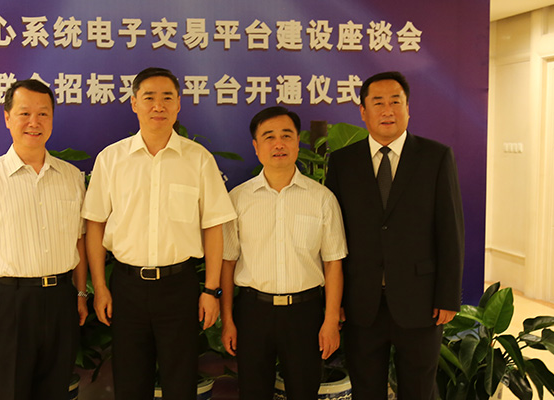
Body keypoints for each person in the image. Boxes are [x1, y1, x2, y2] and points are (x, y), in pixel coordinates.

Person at [82, 67, 236, 400]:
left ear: (178, 104)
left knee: (181, 383)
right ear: (134, 103)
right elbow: (94, 225)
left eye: (167, 97)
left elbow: (214, 226)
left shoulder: (198, 159)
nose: (158, 106)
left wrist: (211, 289)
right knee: (130, 383)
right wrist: (101, 287)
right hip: (127, 288)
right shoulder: (111, 159)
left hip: (178, 287)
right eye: (149, 97)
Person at [324, 71, 465, 400]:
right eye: (378, 103)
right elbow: (333, 237)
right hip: (361, 302)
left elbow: (450, 230)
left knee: (418, 390)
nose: (387, 110)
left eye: (395, 102)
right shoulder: (343, 162)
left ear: (407, 108)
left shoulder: (435, 157)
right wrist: (334, 301)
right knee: (366, 389)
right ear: (363, 112)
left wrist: (448, 297)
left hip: (421, 302)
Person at [0, 79, 89, 400]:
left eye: (43, 114)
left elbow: (80, 241)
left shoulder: (72, 177)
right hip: (10, 303)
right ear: (7, 117)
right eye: (24, 113)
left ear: (52, 119)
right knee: (11, 392)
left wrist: (80, 293)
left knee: (56, 390)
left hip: (61, 300)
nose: (34, 122)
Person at [220, 106, 347, 400]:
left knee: (304, 391)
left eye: (286, 136)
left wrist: (330, 321)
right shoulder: (238, 199)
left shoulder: (322, 199)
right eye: (269, 137)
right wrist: (227, 320)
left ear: (297, 143)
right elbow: (227, 263)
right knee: (253, 393)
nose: (279, 144)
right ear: (256, 147)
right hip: (253, 312)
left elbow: (333, 264)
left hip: (305, 313)